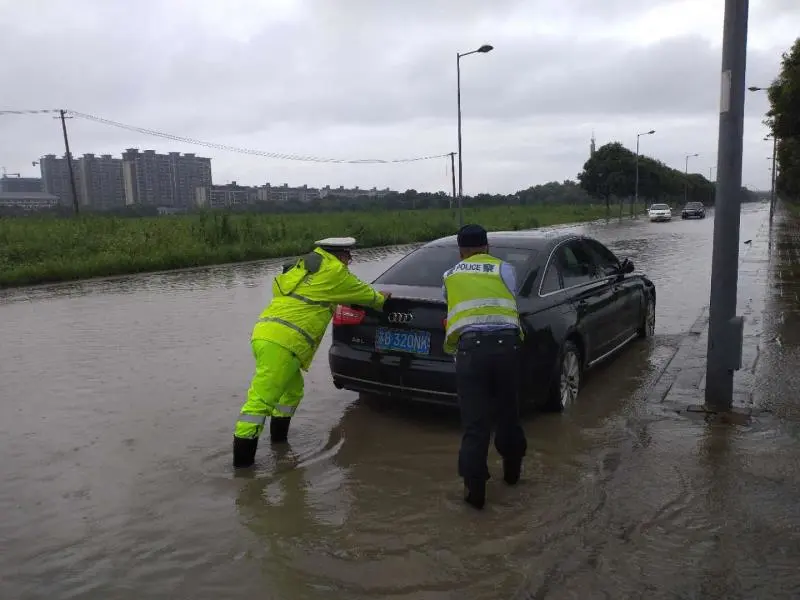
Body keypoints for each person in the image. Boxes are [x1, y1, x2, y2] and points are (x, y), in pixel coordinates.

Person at [233, 237, 391, 468]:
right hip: (285, 343)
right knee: (258, 404)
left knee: (292, 393)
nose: (350, 259)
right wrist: (382, 298)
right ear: (338, 255)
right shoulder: (335, 272)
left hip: (265, 335)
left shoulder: (303, 269)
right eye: (348, 255)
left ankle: (279, 445)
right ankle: (243, 470)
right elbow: (369, 297)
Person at [442, 224, 528, 509]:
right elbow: (510, 296)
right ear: (487, 246)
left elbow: (451, 304)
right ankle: (513, 475)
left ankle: (474, 491)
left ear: (460, 251)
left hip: (470, 353)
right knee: (508, 413)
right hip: (507, 348)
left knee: (475, 425)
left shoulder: (450, 275)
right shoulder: (505, 269)